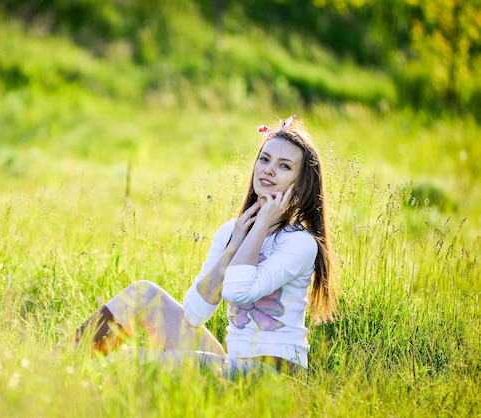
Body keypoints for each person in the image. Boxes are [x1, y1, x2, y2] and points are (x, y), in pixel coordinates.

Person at [71, 115, 338, 375]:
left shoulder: (300, 243)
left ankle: (72, 374)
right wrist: (232, 246)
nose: (268, 169)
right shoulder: (230, 232)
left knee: (129, 361)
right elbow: (195, 314)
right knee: (143, 294)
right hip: (232, 365)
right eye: (264, 159)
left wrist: (258, 227)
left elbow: (238, 293)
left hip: (275, 373)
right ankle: (54, 365)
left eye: (284, 166)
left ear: (301, 184)